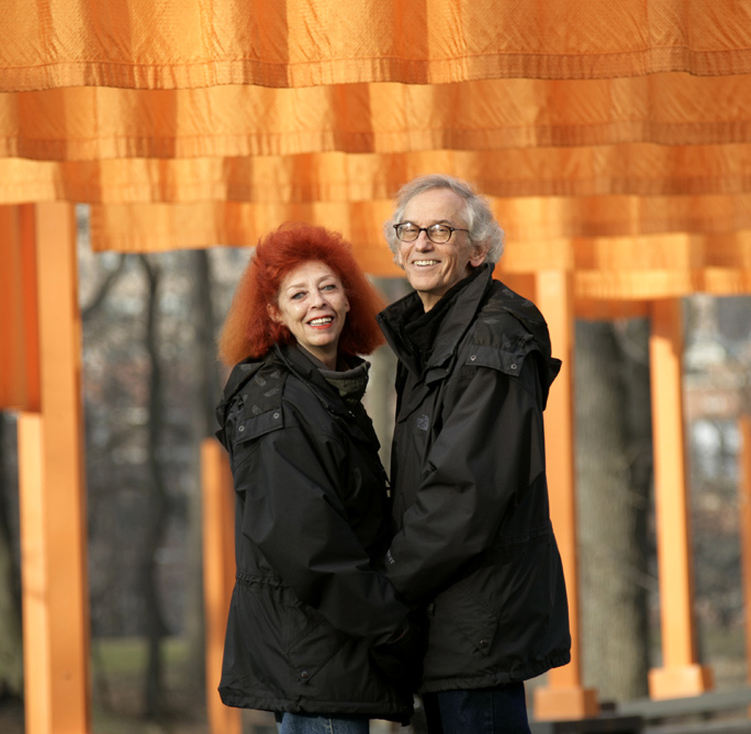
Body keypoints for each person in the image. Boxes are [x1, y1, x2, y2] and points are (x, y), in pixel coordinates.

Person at [376, 174, 572, 733]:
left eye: (442, 230)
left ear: (478, 251)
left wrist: (386, 587)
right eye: (410, 230)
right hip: (447, 622)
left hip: (477, 626)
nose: (422, 243)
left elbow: (466, 493)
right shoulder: (433, 334)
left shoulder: (493, 336)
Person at [214, 223, 421, 734]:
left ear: (349, 299)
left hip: (333, 649)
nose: (317, 303)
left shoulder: (328, 394)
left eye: (328, 287)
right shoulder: (279, 403)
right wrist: (392, 629)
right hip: (314, 656)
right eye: (298, 293)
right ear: (274, 313)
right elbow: (309, 547)